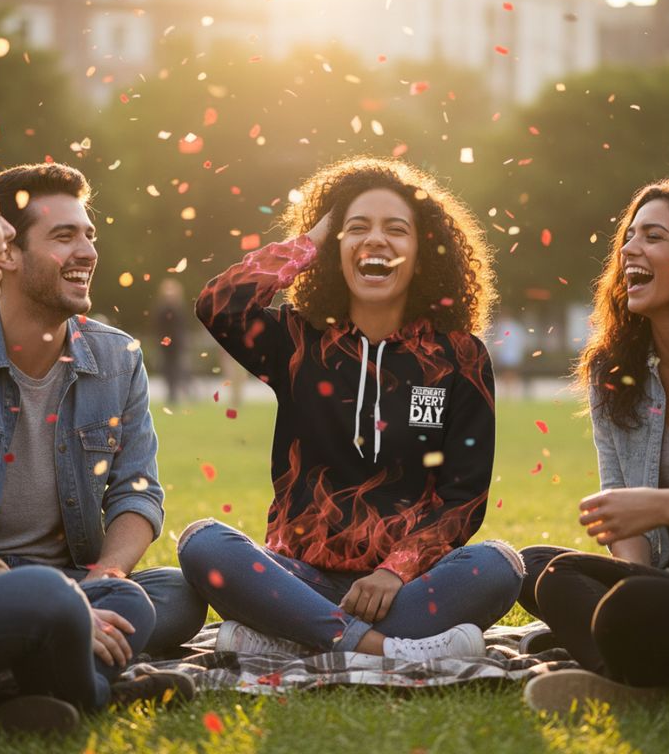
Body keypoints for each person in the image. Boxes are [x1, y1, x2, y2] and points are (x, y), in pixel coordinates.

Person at [178, 156, 524, 661]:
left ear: (423, 251)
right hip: (300, 578)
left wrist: (395, 569)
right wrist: (310, 240)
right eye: (356, 228)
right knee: (202, 544)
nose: (376, 240)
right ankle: (384, 649)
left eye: (396, 230)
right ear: (333, 249)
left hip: (406, 586)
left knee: (499, 565)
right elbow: (218, 304)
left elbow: (463, 497)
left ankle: (295, 637)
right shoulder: (296, 340)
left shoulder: (461, 357)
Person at [0, 141, 192, 735]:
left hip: (50, 577)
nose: (88, 252)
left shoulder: (115, 356)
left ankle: (23, 676)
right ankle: (96, 687)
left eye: (90, 234)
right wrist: (58, 601)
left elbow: (137, 491)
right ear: (3, 252)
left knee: (157, 595)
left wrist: (99, 581)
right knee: (55, 602)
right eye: (63, 237)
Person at [525, 121, 669, 713]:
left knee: (625, 610)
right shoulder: (613, 373)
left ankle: (628, 666)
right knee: (542, 569)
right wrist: (648, 579)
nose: (629, 251)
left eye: (656, 235)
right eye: (629, 237)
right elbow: (621, 505)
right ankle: (638, 670)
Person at [153, 278, 190, 405]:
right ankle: (172, 393)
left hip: (177, 343)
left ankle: (181, 392)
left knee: (178, 368)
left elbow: (181, 326)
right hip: (166, 344)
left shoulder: (179, 307)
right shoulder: (163, 307)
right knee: (168, 368)